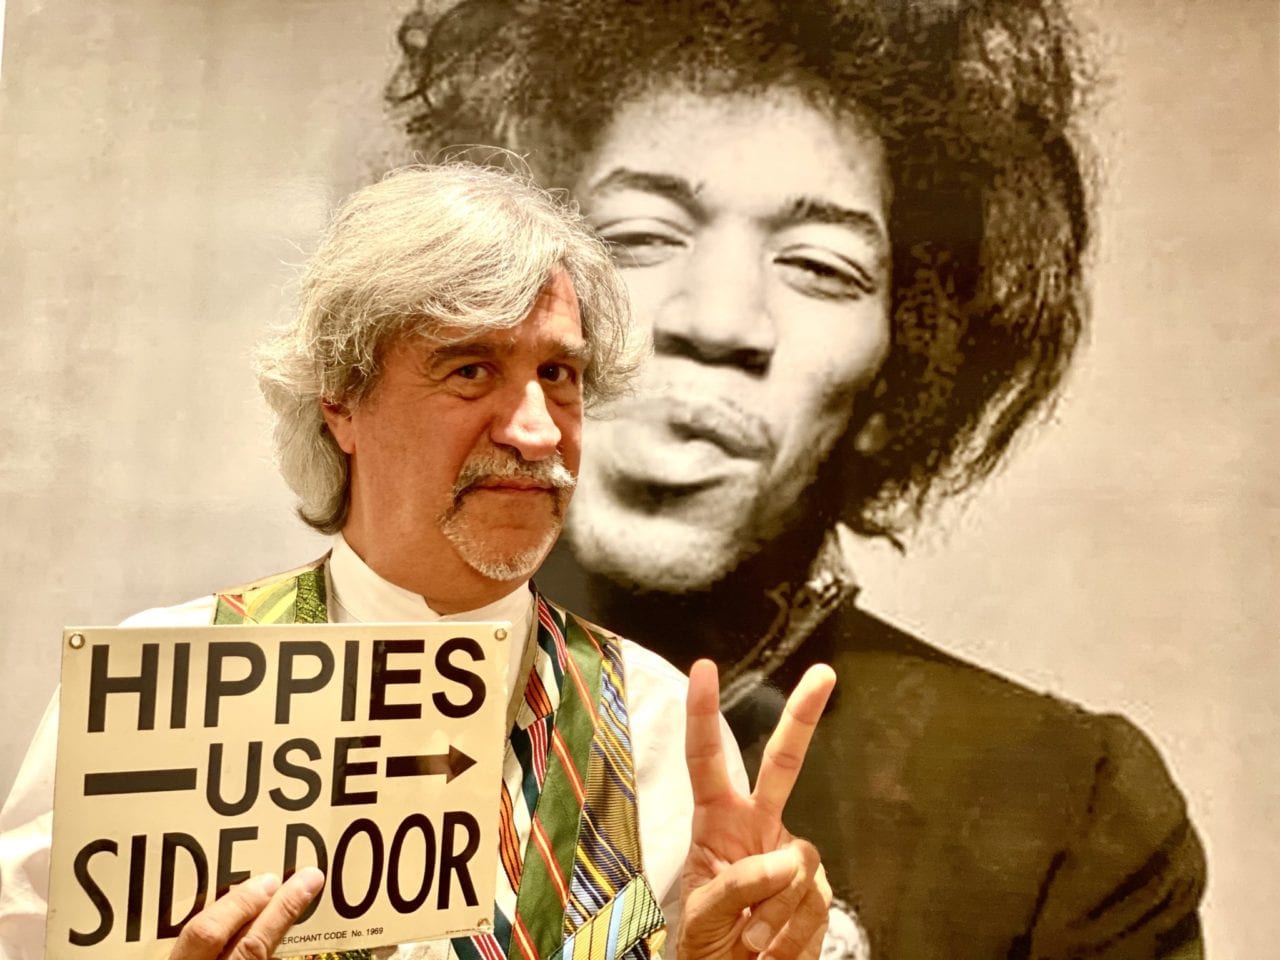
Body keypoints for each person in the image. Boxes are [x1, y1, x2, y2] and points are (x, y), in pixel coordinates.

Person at [382, 1, 1207, 957]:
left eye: (820, 266)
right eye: (641, 235)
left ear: (904, 375)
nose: (719, 319)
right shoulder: (290, 733)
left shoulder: (1060, 811)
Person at [0, 164, 837, 960]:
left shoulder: (658, 726)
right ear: (341, 402)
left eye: (559, 373)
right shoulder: (159, 702)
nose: (537, 431)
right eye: (471, 369)